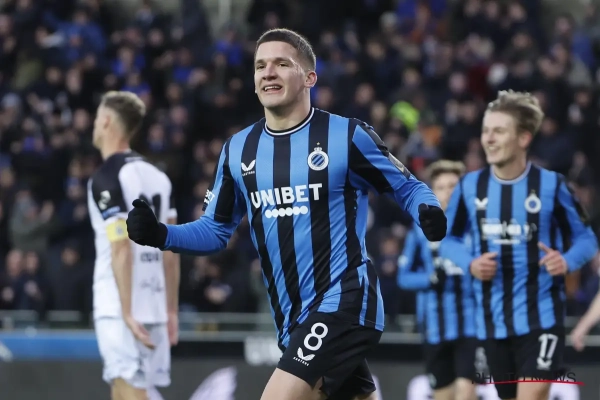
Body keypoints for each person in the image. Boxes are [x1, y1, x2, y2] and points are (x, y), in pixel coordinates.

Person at [126, 28, 447, 400]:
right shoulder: (237, 150)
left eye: (281, 64)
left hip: (344, 300)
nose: (268, 72)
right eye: (260, 65)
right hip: (293, 318)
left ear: (309, 77)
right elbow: (215, 229)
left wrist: (428, 209)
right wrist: (161, 234)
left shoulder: (347, 136)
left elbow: (407, 186)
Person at [439, 90, 598, 400]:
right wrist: (470, 263)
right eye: (486, 130)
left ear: (523, 138)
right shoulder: (470, 186)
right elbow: (447, 239)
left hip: (542, 317)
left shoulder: (552, 185)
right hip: (492, 323)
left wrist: (566, 261)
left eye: (499, 131)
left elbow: (586, 239)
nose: (488, 139)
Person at [88, 91, 180, 400]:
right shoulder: (158, 176)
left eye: (97, 118)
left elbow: (121, 247)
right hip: (155, 304)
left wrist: (126, 311)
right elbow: (171, 248)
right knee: (122, 389)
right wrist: (171, 309)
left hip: (120, 304)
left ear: (106, 121)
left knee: (130, 391)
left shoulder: (106, 176)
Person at [398, 160, 479, 400]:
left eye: (453, 185)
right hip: (434, 328)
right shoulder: (419, 230)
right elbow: (403, 278)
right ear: (433, 192)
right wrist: (430, 279)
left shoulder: (477, 227)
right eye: (441, 187)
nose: (448, 192)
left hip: (471, 325)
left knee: (466, 392)